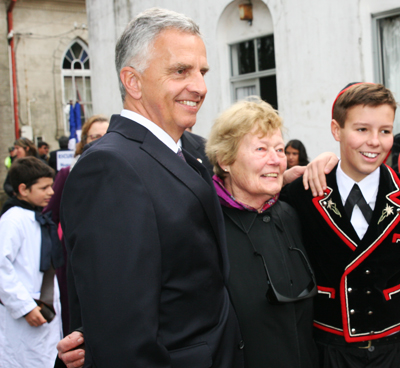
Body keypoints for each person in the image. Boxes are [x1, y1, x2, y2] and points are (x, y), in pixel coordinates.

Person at [58, 8, 243, 368]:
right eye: (180, 71)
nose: (200, 87)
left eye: (202, 72)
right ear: (133, 81)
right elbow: (122, 338)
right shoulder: (109, 168)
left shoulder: (187, 150)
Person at [281, 82, 400, 368]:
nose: (375, 141)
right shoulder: (301, 195)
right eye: (362, 129)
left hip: (396, 346)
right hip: (328, 346)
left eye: (385, 131)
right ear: (336, 130)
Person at [206, 98, 318, 368]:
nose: (276, 160)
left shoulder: (291, 215)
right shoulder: (205, 225)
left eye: (279, 149)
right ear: (225, 160)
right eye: (261, 148)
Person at [42, 115, 109, 336]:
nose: (100, 140)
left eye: (105, 135)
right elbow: (50, 214)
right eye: (94, 136)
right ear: (84, 141)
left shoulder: (123, 170)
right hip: (76, 258)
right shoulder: (67, 173)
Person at [0, 157, 63, 368]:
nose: (51, 192)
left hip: (45, 312)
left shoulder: (36, 218)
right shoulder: (12, 220)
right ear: (23, 189)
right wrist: (25, 307)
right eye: (44, 188)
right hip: (26, 315)